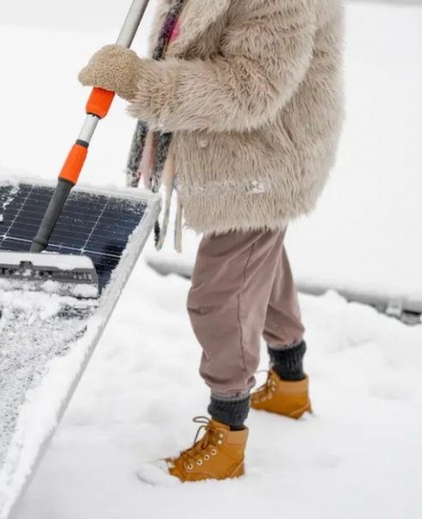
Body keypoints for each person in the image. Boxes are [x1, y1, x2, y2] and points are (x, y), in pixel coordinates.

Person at [78, 0, 344, 482]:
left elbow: (250, 88)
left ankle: (227, 436)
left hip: (265, 157)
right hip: (240, 149)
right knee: (257, 265)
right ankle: (289, 383)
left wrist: (142, 82)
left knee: (219, 296)